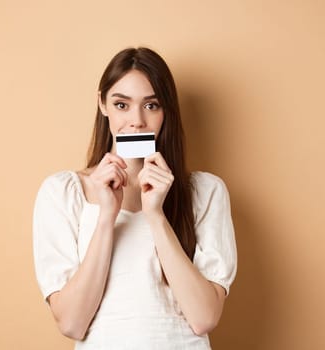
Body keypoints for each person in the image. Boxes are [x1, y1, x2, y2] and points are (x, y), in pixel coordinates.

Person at [32, 47, 237, 349]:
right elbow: (72, 323)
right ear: (102, 104)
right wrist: (106, 216)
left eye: (151, 105)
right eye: (121, 105)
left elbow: (204, 317)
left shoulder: (205, 192)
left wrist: (155, 215)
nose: (137, 121)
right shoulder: (63, 192)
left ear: (167, 112)